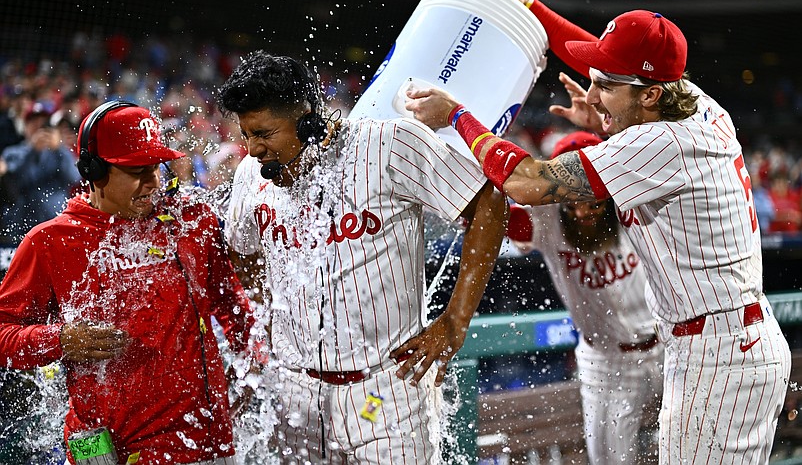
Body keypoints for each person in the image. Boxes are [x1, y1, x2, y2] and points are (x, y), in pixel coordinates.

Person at [406, 0, 792, 464]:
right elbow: (601, 55)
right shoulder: (695, 102)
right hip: (720, 342)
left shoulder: (658, 143)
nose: (591, 96)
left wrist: (459, 116)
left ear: (649, 95)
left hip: (716, 354)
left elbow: (525, 181)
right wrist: (532, 9)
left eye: (607, 86)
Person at [219, 51, 506, 463]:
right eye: (247, 135)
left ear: (307, 119)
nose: (254, 149)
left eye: (264, 133)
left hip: (386, 390)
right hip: (296, 393)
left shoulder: (388, 143)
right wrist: (265, 312)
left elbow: (488, 200)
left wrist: (456, 320)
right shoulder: (250, 173)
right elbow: (241, 251)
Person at [0, 100, 255, 464]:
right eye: (138, 171)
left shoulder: (191, 222)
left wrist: (250, 365)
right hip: (102, 450)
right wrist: (60, 340)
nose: (154, 183)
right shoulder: (51, 242)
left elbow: (230, 303)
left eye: (157, 167)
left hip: (202, 442)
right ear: (94, 170)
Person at [506, 131, 662, 465]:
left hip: (666, 346)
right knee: (610, 460)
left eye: (592, 200)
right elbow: (492, 219)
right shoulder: (546, 221)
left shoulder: (630, 201)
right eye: (572, 202)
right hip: (607, 360)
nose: (582, 211)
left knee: (689, 445)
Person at [0, 101, 82, 242]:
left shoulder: (61, 152)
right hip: (23, 225)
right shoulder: (12, 152)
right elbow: (14, 184)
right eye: (33, 122)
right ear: (25, 126)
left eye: (43, 123)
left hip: (56, 221)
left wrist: (59, 149)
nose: (39, 127)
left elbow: (74, 178)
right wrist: (32, 151)